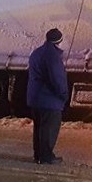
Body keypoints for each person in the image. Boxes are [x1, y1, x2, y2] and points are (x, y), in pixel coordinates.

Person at [27, 27, 68, 164]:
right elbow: (57, 78)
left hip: (35, 98)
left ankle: (38, 154)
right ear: (59, 41)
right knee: (48, 129)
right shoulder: (53, 56)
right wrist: (63, 94)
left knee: (39, 128)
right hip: (49, 100)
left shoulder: (37, 52)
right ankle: (46, 156)